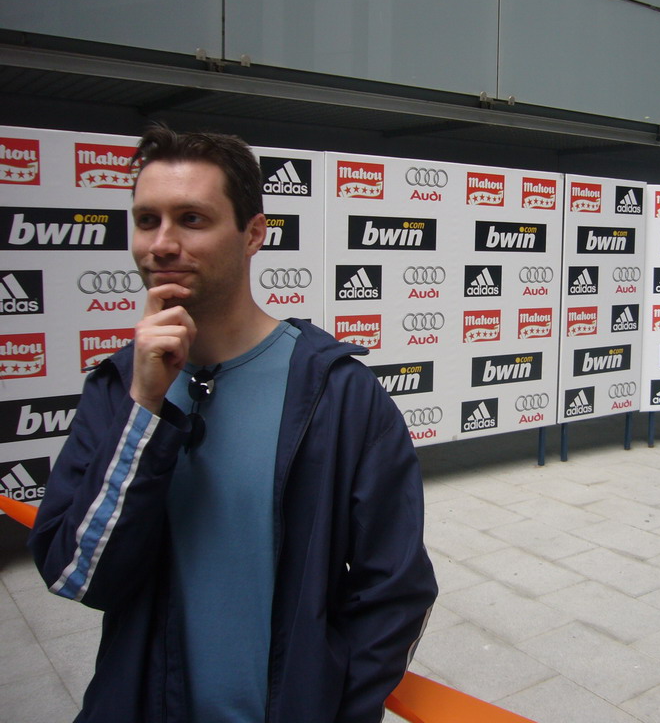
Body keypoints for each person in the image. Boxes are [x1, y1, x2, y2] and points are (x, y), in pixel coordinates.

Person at [28, 126, 437, 723]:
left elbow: (395, 588)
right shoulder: (118, 387)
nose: (162, 244)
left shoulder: (338, 391)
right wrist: (146, 404)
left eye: (192, 219)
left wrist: (332, 709)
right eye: (147, 220)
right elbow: (77, 574)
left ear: (253, 234)